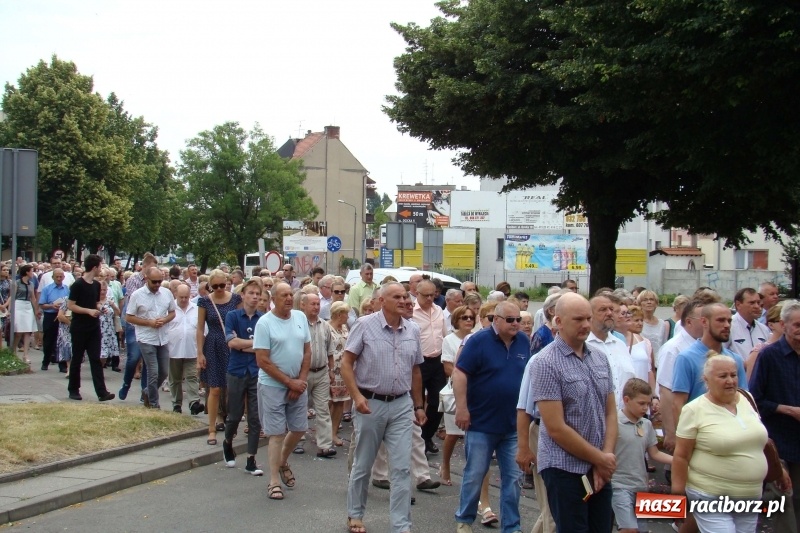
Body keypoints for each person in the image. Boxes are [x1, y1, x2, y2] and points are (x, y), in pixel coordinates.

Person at [341, 282, 426, 533]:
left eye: (405, 296)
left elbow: (416, 370)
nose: (403, 300)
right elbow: (347, 364)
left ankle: (401, 526)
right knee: (363, 463)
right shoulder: (365, 326)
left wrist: (419, 405)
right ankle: (355, 514)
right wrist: (356, 396)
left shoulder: (412, 330)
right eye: (396, 297)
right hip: (370, 403)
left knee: (401, 468)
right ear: (381, 301)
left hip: (401, 405)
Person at [530, 292, 617, 532]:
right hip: (564, 467)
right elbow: (556, 428)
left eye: (588, 318)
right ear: (558, 321)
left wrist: (605, 458)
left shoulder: (599, 358)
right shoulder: (545, 362)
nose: (586, 325)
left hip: (598, 465)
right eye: (578, 319)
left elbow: (610, 413)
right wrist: (600, 459)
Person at [673, 352, 773, 533]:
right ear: (707, 380)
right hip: (710, 494)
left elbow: (759, 441)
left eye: (734, 375)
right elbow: (681, 455)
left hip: (750, 496)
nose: (730, 381)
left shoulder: (747, 399)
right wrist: (678, 495)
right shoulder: (694, 410)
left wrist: (779, 473)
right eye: (723, 376)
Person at [453, 301, 529, 533]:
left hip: (513, 424)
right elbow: (459, 373)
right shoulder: (478, 341)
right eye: (510, 320)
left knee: (514, 479)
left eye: (518, 320)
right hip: (481, 423)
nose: (516, 324)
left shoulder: (524, 342)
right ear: (496, 319)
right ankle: (465, 520)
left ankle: (512, 526)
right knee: (475, 474)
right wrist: (462, 408)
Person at [253, 282, 311, 501]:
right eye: (283, 295)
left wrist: (301, 381)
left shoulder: (300, 317)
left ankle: (282, 461)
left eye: (290, 294)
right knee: (276, 434)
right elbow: (262, 361)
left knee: (298, 429)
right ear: (273, 299)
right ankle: (274, 480)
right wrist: (289, 382)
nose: (288, 298)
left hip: (297, 384)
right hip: (272, 386)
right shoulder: (265, 323)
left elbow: (307, 352)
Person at [750, 300, 800, 532]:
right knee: (783, 500)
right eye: (797, 325)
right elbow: (755, 399)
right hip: (777, 439)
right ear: (783, 325)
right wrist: (788, 409)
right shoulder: (769, 356)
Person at [611, 378, 673, 533]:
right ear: (626, 400)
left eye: (648, 404)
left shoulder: (646, 424)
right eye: (641, 403)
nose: (646, 408)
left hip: (641, 485)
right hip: (619, 485)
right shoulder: (613, 423)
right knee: (629, 529)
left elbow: (655, 453)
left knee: (641, 529)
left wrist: (679, 460)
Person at [671, 303, 749, 422]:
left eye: (729, 321)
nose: (727, 325)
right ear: (704, 322)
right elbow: (678, 404)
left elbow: (744, 400)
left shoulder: (735, 359)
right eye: (721, 320)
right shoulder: (686, 358)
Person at [221, 278, 264, 476]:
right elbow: (232, 343)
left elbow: (264, 348)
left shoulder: (263, 319)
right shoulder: (232, 316)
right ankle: (228, 442)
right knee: (235, 414)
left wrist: (245, 344)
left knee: (255, 417)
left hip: (256, 372)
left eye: (258, 294)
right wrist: (252, 344)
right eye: (251, 293)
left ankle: (251, 459)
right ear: (243, 295)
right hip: (236, 370)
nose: (255, 297)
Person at [197, 270, 242, 445]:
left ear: (227, 282)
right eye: (214, 286)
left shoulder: (235, 299)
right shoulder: (205, 301)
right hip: (213, 344)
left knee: (233, 389)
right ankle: (212, 429)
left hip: (231, 344)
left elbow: (240, 321)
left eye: (221, 285)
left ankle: (232, 424)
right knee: (214, 389)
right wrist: (199, 353)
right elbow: (200, 328)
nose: (218, 289)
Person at [66, 255, 115, 402]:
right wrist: (88, 311)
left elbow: (95, 302)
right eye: (100, 266)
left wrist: (100, 307)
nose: (101, 269)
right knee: (77, 358)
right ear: (94, 267)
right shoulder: (78, 285)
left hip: (94, 327)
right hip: (80, 327)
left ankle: (102, 392)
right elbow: (71, 305)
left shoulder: (96, 285)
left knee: (95, 358)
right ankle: (73, 389)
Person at [126, 267, 176, 409]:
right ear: (147, 279)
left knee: (164, 371)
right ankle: (154, 403)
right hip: (146, 337)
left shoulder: (166, 293)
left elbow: (172, 312)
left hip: (163, 337)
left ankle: (147, 392)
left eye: (160, 281)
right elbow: (129, 316)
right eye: (154, 282)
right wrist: (149, 322)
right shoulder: (137, 295)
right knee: (153, 371)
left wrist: (164, 320)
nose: (157, 285)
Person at [413, 279, 448, 455]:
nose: (429, 299)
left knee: (438, 402)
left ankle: (426, 436)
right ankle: (417, 440)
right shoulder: (410, 312)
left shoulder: (438, 310)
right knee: (417, 402)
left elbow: (445, 334)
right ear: (416, 294)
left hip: (437, 361)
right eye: (425, 295)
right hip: (418, 363)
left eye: (432, 295)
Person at [301, 292, 337, 458]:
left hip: (321, 372)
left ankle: (325, 445)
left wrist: (331, 370)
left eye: (317, 304)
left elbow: (330, 350)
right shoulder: (298, 325)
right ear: (303, 305)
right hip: (303, 373)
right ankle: (297, 441)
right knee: (300, 408)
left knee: (323, 409)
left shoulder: (325, 325)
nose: (316, 307)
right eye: (312, 304)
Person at [587, 293, 636, 409]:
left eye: (611, 309)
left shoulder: (620, 344)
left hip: (624, 419)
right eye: (603, 310)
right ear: (590, 315)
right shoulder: (584, 346)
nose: (609, 313)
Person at [120, 252, 158, 401]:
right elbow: (134, 302)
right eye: (152, 267)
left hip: (150, 326)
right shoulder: (134, 280)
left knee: (148, 360)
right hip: (134, 324)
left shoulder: (155, 281)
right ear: (145, 266)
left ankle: (145, 392)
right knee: (134, 357)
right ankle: (126, 384)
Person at [167, 284, 203, 415]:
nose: (183, 300)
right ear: (176, 295)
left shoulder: (196, 309)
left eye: (186, 297)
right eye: (181, 297)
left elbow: (202, 330)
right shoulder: (170, 309)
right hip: (174, 349)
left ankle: (194, 402)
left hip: (191, 349)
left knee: (192, 376)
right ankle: (176, 403)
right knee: (175, 379)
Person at [328, 301, 351, 447]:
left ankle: (333, 432)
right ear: (339, 314)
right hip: (330, 369)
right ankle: (324, 432)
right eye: (346, 314)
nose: (348, 317)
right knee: (328, 402)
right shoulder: (326, 327)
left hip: (343, 370)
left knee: (340, 402)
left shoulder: (344, 328)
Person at [38, 267, 69, 371]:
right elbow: (42, 304)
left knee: (62, 340)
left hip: (63, 316)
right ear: (53, 277)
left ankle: (62, 364)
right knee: (49, 341)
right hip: (50, 316)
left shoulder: (67, 289)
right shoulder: (47, 289)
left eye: (61, 277)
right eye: (57, 277)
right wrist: (52, 306)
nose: (59, 279)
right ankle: (45, 361)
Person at [727, 287, 770, 360]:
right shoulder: (728, 327)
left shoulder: (764, 329)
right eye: (752, 303)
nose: (757, 306)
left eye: (758, 303)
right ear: (738, 305)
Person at [11, 264, 40, 365]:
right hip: (18, 305)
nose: (33, 273)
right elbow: (13, 297)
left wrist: (36, 309)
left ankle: (25, 355)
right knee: (18, 331)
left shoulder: (31, 284)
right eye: (32, 271)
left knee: (28, 331)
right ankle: (13, 351)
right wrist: (11, 310)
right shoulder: (17, 283)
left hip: (27, 306)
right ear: (27, 272)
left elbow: (33, 297)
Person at [637, 290, 669, 358]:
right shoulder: (638, 323)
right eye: (645, 300)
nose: (649, 302)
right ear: (640, 304)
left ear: (656, 304)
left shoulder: (662, 323)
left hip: (658, 363)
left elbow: (664, 344)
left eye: (652, 299)